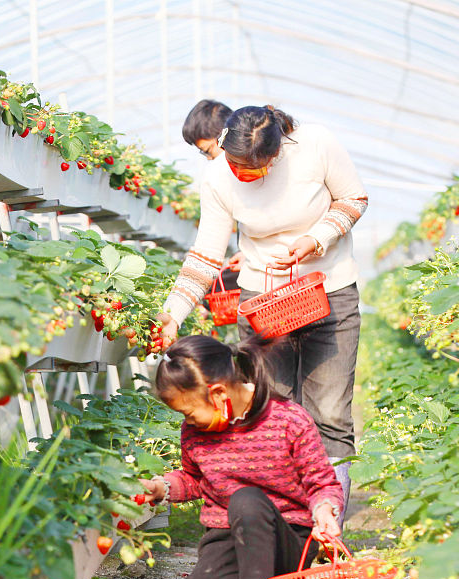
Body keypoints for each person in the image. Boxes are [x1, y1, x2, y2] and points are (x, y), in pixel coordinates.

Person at [155, 106, 368, 516]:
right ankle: (285, 522)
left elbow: (353, 198)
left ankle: (327, 525)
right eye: (236, 163)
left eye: (256, 167)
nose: (245, 174)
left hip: (330, 289)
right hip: (263, 301)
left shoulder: (315, 144)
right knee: (270, 414)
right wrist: (173, 313)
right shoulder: (218, 177)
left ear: (277, 154)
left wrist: (317, 238)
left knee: (330, 414)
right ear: (223, 145)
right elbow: (205, 255)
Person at [136, 335, 343, 579]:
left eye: (189, 412)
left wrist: (323, 511)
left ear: (218, 394)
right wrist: (162, 487)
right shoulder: (194, 433)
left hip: (286, 539)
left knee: (246, 500)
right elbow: (195, 479)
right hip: (230, 534)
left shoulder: (288, 419)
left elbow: (321, 481)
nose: (187, 422)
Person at [180, 100, 243, 288]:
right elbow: (209, 248)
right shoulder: (221, 179)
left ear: (226, 134)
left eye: (209, 151)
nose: (210, 160)